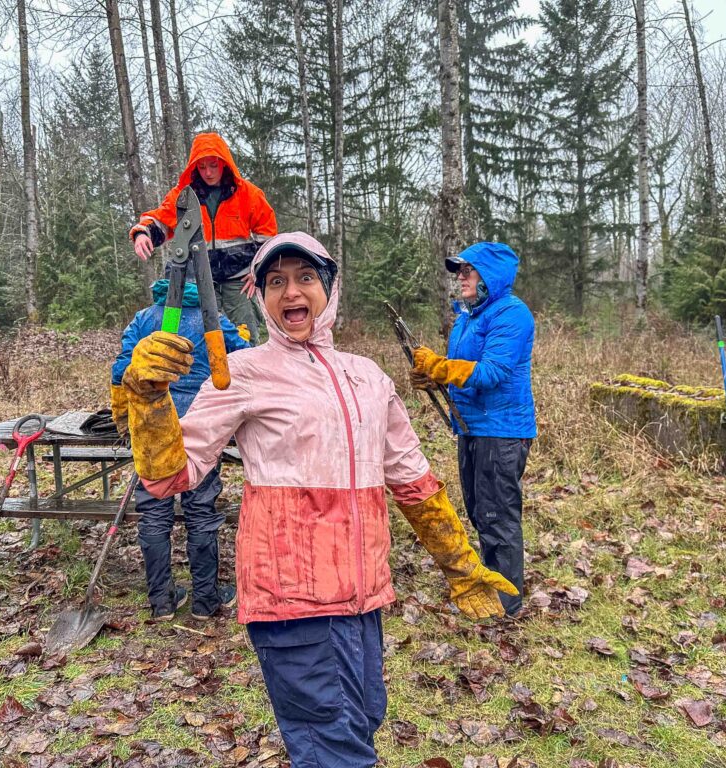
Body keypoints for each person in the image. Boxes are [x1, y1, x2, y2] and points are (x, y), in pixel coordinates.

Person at [119, 232, 517, 767]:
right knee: (334, 747)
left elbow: (413, 482)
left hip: (363, 598)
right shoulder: (239, 373)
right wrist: (145, 398)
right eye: (276, 281)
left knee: (363, 720)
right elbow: (170, 476)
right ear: (259, 295)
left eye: (305, 278)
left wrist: (463, 568)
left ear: (330, 288)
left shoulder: (368, 377)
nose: (291, 292)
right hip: (290, 600)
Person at [110, 262, 250, 621]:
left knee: (154, 511)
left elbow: (121, 370)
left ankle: (161, 602)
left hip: (152, 424)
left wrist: (124, 418)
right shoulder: (212, 317)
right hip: (202, 423)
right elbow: (242, 357)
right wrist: (242, 337)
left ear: (164, 283)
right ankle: (206, 600)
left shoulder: (144, 319)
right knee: (201, 509)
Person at [411, 242, 536, 618]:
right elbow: (463, 370)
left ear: (490, 276)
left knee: (499, 515)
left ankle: (506, 603)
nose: (460, 278)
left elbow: (491, 372)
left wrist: (442, 368)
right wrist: (433, 378)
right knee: (480, 512)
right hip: (472, 428)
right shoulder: (468, 317)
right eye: (458, 272)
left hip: (502, 431)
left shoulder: (511, 315)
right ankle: (491, 580)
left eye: (468, 271)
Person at [129, 132, 277, 344]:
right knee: (202, 335)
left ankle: (245, 375)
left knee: (246, 334)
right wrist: (143, 233)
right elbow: (160, 220)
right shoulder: (184, 195)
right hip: (198, 278)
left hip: (240, 279)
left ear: (224, 163)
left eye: (213, 165)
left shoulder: (248, 194)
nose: (208, 172)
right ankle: (207, 375)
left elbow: (268, 236)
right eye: (202, 166)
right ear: (194, 167)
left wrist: (259, 271)